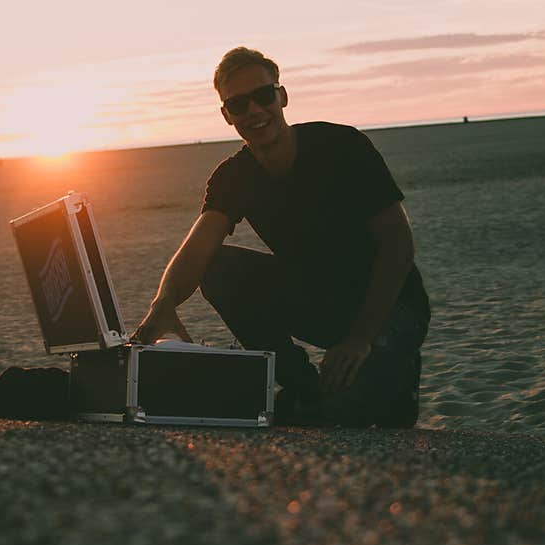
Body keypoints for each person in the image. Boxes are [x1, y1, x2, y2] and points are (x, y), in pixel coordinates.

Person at [131, 47, 430, 428]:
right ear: (227, 116)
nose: (254, 111)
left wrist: (361, 338)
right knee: (217, 266)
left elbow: (397, 243)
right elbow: (198, 248)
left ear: (282, 96)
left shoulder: (341, 147)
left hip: (389, 306)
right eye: (238, 104)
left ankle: (388, 380)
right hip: (320, 301)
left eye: (263, 96)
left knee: (352, 415)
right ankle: (302, 384)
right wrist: (163, 304)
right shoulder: (233, 176)